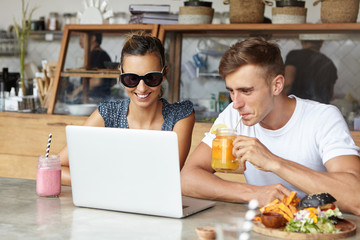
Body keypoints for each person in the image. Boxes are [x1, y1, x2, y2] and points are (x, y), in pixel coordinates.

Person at [180, 37, 360, 216]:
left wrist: (273, 162)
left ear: (277, 85)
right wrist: (254, 194)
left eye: (246, 91)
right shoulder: (234, 114)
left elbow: (356, 197)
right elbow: (187, 179)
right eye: (231, 91)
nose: (236, 103)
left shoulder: (323, 118)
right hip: (261, 228)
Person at [60, 31, 195, 186]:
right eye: (132, 79)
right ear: (121, 76)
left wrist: (108, 179)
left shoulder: (181, 116)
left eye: (151, 78)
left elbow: (166, 180)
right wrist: (102, 182)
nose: (142, 88)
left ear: (164, 75)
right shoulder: (107, 114)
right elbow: (54, 168)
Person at [71, 33, 116, 101]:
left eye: (82, 36)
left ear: (93, 38)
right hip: (101, 99)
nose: (80, 39)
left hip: (96, 100)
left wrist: (77, 91)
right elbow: (113, 81)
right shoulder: (102, 54)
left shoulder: (97, 55)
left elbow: (97, 81)